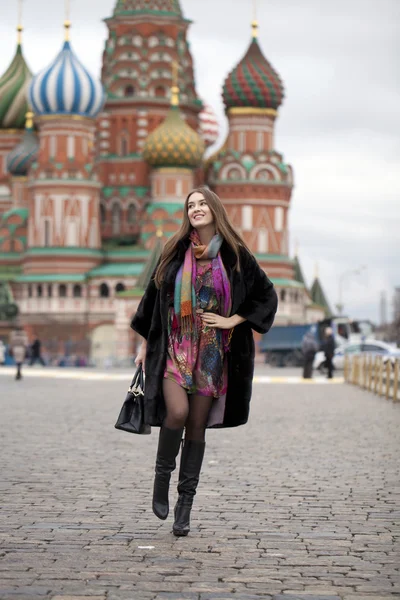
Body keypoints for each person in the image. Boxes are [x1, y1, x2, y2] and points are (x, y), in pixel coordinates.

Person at [131, 186, 278, 537]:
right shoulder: (174, 251)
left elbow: (265, 294)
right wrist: (143, 346)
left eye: (201, 204)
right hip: (175, 348)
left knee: (197, 425)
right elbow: (152, 300)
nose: (195, 209)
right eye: (190, 205)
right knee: (177, 414)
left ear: (214, 209)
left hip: (213, 354)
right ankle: (161, 477)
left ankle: (185, 505)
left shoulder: (235, 256)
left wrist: (232, 320)